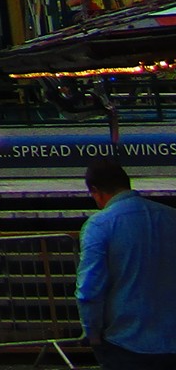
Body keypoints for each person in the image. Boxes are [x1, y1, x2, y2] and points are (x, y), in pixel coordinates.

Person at [77, 158, 176, 370]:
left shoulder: (99, 225)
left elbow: (89, 290)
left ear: (96, 191)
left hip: (125, 342)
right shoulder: (171, 217)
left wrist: (92, 334)